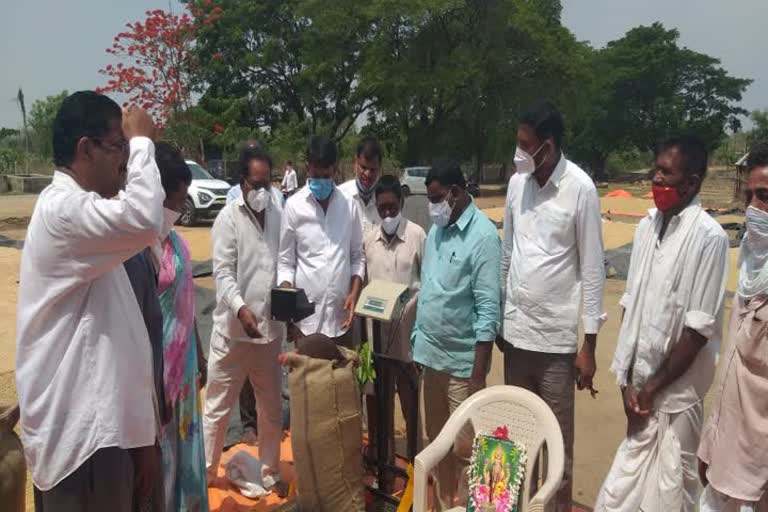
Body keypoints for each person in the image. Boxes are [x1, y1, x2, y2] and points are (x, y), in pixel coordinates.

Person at [15, 92, 164, 511]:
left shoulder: (84, 217)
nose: (123, 159)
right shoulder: (64, 212)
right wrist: (143, 144)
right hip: (83, 441)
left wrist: (142, 435)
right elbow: (143, 219)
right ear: (86, 149)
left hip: (104, 434)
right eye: (117, 147)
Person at [595, 135, 729, 512]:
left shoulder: (709, 238)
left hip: (674, 400)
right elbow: (631, 306)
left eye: (666, 173)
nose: (656, 179)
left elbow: (696, 332)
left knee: (669, 500)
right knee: (618, 499)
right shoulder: (646, 227)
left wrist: (652, 389)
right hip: (639, 394)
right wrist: (627, 382)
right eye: (656, 169)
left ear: (692, 183)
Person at [499, 99, 606, 512]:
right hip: (516, 337)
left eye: (525, 146)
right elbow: (508, 254)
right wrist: (501, 319)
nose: (519, 153)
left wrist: (589, 344)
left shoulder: (580, 189)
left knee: (558, 447)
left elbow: (594, 269)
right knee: (519, 439)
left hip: (557, 347)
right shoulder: (515, 186)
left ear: (548, 145)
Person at [412, 158, 501, 511]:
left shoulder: (483, 237)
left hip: (463, 368)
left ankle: (466, 506)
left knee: (465, 448)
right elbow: (430, 290)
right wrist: (419, 346)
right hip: (431, 359)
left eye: (437, 199)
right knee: (437, 444)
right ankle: (445, 503)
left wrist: (478, 376)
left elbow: (487, 310)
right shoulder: (437, 231)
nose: (432, 207)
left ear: (457, 193)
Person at [202, 145, 285, 490]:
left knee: (271, 410)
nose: (262, 191)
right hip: (234, 335)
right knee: (217, 410)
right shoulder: (228, 219)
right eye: (256, 184)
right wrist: (240, 308)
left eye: (267, 183)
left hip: (269, 334)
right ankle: (205, 476)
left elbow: (284, 262)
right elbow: (222, 274)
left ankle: (270, 473)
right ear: (242, 183)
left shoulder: (278, 213)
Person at [697, 143, 768, 511]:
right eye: (751, 195)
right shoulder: (750, 268)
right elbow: (731, 372)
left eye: (766, 196)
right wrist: (710, 443)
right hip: (727, 456)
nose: (755, 207)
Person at [152, 143, 209, 512]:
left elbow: (187, 305)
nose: (179, 208)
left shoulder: (179, 244)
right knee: (163, 463)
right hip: (156, 379)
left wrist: (200, 354)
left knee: (188, 456)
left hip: (186, 371)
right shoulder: (136, 250)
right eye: (175, 199)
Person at [278, 135, 365, 345]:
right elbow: (285, 262)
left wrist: (354, 293)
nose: (321, 182)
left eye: (327, 176)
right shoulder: (294, 206)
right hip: (305, 324)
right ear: (308, 169)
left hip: (341, 320)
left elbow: (357, 257)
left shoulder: (349, 206)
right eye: (316, 176)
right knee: (306, 378)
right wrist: (287, 300)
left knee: (342, 378)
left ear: (335, 170)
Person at [363, 175, 426, 460]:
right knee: (381, 407)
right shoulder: (369, 240)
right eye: (381, 209)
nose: (387, 214)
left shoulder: (417, 236)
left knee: (411, 407)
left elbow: (428, 286)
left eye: (391, 207)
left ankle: (416, 464)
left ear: (401, 202)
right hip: (379, 343)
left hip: (408, 344)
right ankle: (384, 465)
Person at [339, 136, 383, 234]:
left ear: (379, 167)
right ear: (355, 162)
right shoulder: (340, 195)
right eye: (363, 167)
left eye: (372, 170)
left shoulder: (385, 199)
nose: (367, 174)